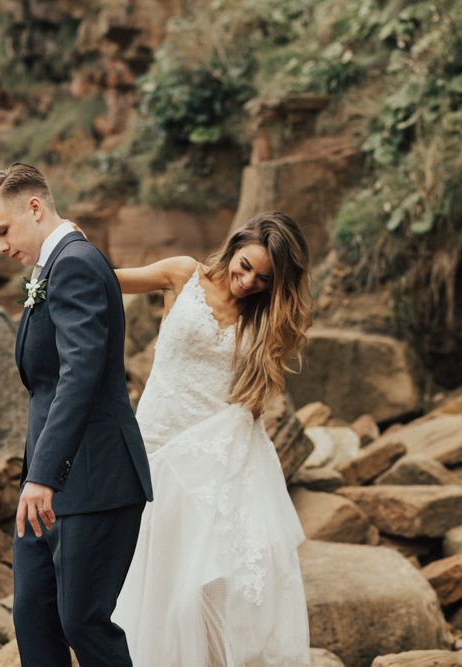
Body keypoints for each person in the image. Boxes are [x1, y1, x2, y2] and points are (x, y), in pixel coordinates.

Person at [0, 163, 152, 667]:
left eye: (2, 232)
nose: (0, 247)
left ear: (35, 207)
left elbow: (81, 373)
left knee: (82, 622)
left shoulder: (75, 263)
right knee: (33, 618)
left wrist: (45, 475)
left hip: (92, 477)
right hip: (48, 485)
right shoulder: (48, 270)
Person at [112, 211, 313, 666]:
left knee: (219, 579)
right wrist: (59, 252)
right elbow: (107, 280)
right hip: (159, 441)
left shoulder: (264, 318)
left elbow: (254, 395)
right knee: (159, 574)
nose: (247, 283)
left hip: (218, 455)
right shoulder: (183, 273)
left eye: (263, 279)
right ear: (234, 245)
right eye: (244, 266)